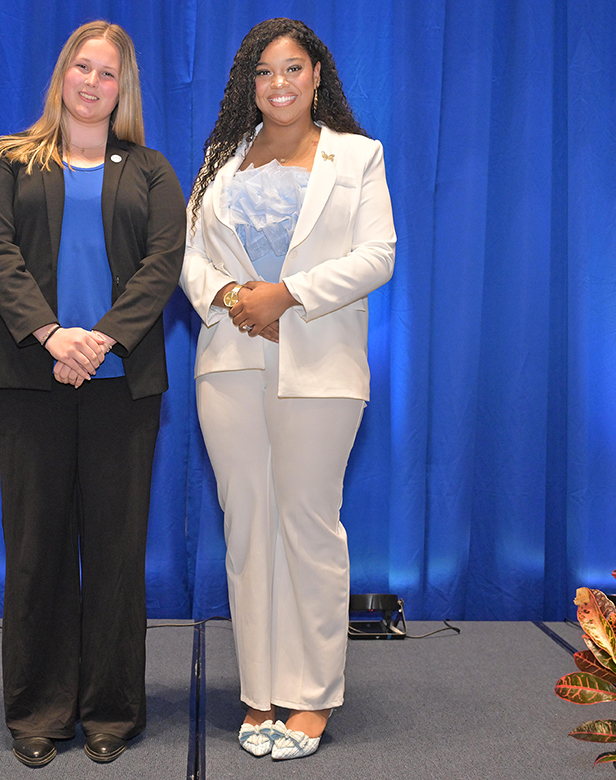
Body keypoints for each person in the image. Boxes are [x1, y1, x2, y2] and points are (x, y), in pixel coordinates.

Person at [0, 20, 185, 768]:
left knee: (118, 555)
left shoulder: (152, 171)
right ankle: (37, 710)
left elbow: (164, 265)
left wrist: (100, 340)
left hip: (124, 390)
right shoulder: (7, 161)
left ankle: (111, 712)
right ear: (62, 74)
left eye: (109, 74)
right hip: (33, 381)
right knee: (38, 552)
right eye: (83, 68)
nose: (93, 83)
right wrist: (54, 336)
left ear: (123, 89)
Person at [180, 18, 396, 761]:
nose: (279, 83)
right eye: (265, 71)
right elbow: (188, 257)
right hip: (231, 363)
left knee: (308, 526)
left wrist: (288, 295)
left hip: (322, 368)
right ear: (250, 82)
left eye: (293, 68)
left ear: (316, 76)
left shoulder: (358, 156)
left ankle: (310, 697)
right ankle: (260, 691)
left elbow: (378, 255)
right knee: (247, 530)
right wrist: (239, 297)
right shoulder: (220, 157)